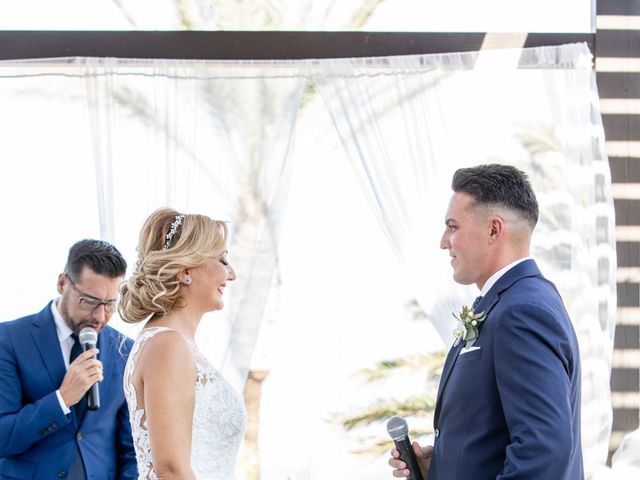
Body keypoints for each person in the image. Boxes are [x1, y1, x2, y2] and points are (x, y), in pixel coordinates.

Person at [389, 164, 583, 479]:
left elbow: (544, 450)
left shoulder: (522, 311)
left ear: (493, 230)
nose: (443, 242)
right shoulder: (510, 303)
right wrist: (443, 466)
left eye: (453, 226)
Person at [119, 208, 247, 480]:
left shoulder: (170, 342)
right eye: (223, 260)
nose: (231, 274)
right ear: (187, 270)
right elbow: (172, 470)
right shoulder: (168, 344)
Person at [0, 239, 137, 480]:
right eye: (90, 301)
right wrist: (61, 399)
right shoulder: (9, 339)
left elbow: (132, 449)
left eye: (109, 304)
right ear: (63, 283)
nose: (99, 316)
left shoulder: (125, 351)